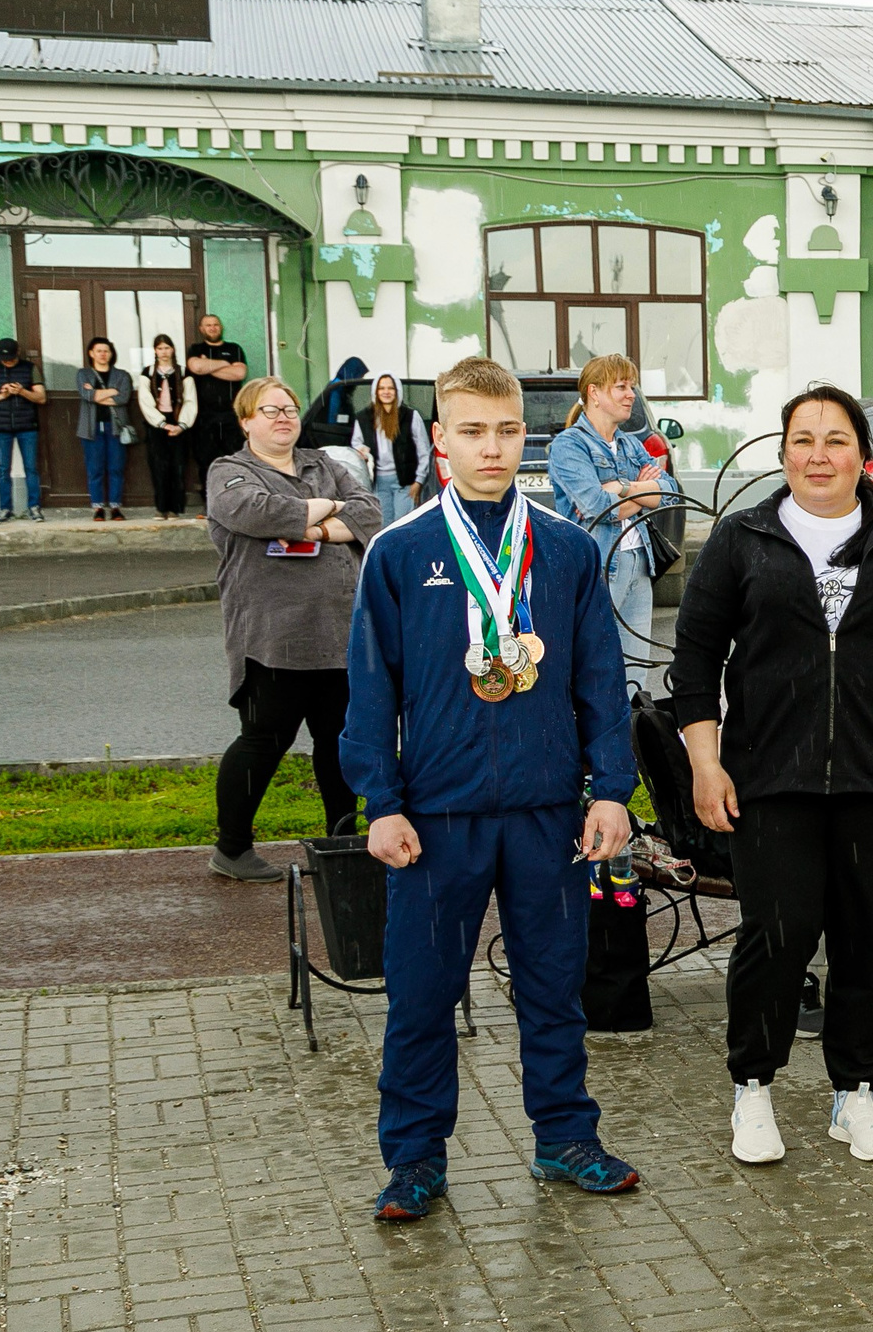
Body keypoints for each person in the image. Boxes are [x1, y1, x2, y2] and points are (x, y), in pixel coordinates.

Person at [344, 356, 643, 1223]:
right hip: (436, 816)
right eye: (472, 431)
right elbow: (370, 691)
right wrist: (382, 800)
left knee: (554, 986)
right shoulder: (399, 554)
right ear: (439, 439)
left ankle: (564, 1137)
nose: (491, 448)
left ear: (528, 437)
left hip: (548, 811)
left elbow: (598, 679)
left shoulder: (567, 548)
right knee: (423, 994)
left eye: (507, 431)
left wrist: (611, 790)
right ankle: (413, 1158)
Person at [669, 385, 873, 1166]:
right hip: (770, 776)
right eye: (802, 439)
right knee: (776, 937)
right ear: (782, 453)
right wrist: (705, 764)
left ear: (861, 454)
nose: (818, 454)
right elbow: (696, 661)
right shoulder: (741, 539)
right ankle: (754, 1088)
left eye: (835, 439)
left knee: (871, 941)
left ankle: (856, 1094)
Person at [203, 375, 382, 882]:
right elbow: (256, 511)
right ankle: (233, 849)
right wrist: (324, 509)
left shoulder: (322, 463)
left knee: (340, 745)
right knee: (262, 744)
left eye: (290, 408)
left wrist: (312, 527)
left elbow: (370, 512)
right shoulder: (230, 472)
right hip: (273, 641)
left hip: (339, 639)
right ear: (246, 422)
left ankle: (344, 841)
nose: (283, 417)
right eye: (269, 410)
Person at [546, 354, 665, 695]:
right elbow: (597, 507)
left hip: (639, 563)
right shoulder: (570, 445)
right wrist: (642, 490)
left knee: (635, 670)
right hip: (598, 565)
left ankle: (632, 741)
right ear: (594, 393)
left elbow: (668, 494)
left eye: (632, 387)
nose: (631, 395)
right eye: (622, 387)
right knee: (594, 665)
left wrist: (623, 487)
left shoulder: (629, 443)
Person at [0, 337, 47, 521]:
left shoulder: (29, 368)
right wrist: (3, 395)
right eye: (3, 359)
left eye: (11, 359)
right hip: (1, 427)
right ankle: (5, 509)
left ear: (18, 353)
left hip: (27, 426)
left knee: (31, 468)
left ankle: (34, 506)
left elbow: (41, 398)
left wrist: (22, 391)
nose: (7, 362)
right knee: (2, 469)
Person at [185, 313, 249, 508]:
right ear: (201, 329)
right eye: (208, 325)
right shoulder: (196, 349)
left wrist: (209, 366)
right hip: (204, 416)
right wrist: (224, 364)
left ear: (221, 328)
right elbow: (195, 367)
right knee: (207, 461)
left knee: (236, 458)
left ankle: (238, 501)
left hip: (231, 415)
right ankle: (211, 504)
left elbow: (239, 373)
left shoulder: (234, 348)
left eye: (215, 325)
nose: (212, 328)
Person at [137, 334, 199, 519]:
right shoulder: (148, 372)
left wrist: (182, 424)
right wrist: (161, 423)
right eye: (160, 348)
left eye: (167, 348)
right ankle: (161, 507)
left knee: (177, 465)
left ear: (172, 349)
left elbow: (190, 400)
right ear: (155, 351)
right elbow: (145, 401)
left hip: (179, 421)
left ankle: (175, 508)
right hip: (156, 424)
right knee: (159, 466)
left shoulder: (183, 372)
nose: (164, 352)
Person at [74, 337, 134, 522]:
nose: (102, 354)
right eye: (99, 350)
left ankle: (115, 507)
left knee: (116, 467)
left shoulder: (122, 375)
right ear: (91, 353)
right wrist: (112, 392)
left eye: (106, 351)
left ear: (111, 353)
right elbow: (87, 395)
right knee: (95, 469)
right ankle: (98, 507)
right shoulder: (83, 374)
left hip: (115, 427)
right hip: (91, 428)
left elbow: (123, 398)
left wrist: (97, 394)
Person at [350, 372, 427, 511]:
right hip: (378, 482)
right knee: (383, 524)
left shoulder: (411, 416)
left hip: (405, 482)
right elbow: (356, 444)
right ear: (375, 391)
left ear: (397, 391)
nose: (386, 392)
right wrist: (363, 451)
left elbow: (423, 450)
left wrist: (418, 481)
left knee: (402, 523)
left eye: (390, 388)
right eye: (382, 388)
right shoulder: (364, 417)